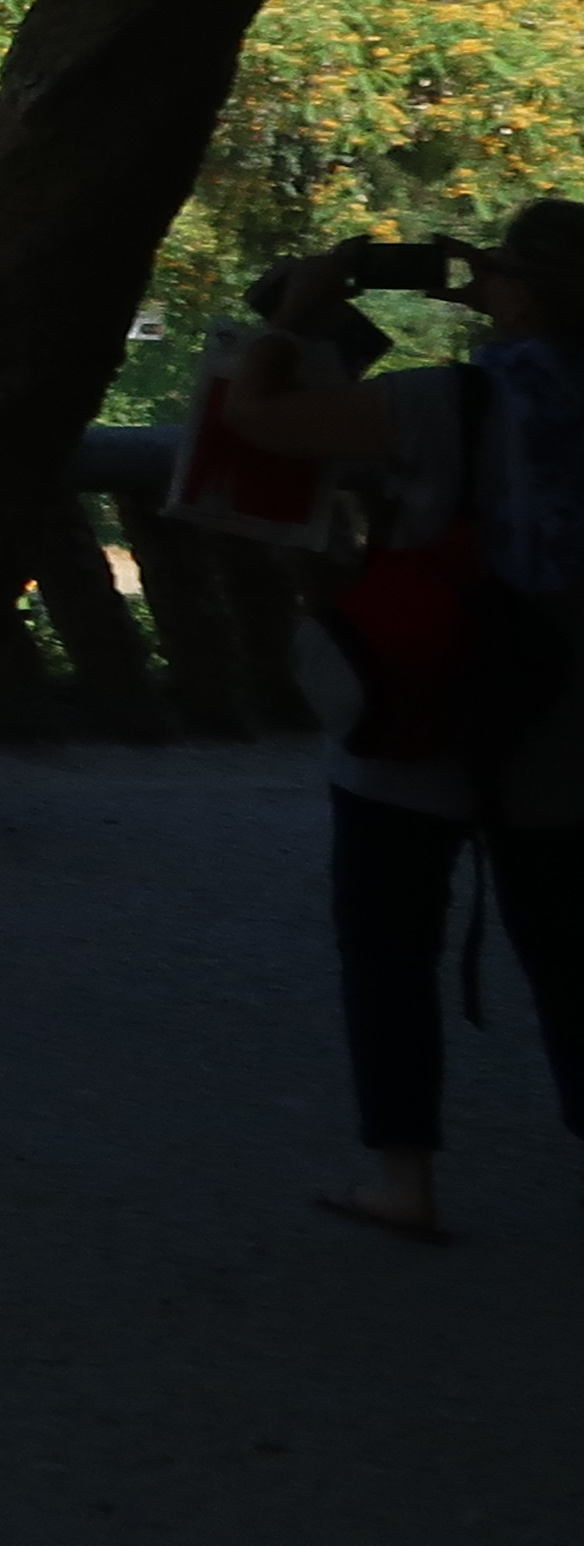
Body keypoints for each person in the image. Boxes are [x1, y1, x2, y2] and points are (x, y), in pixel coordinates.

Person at [194, 208, 584, 1242]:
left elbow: (261, 418)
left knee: (388, 946)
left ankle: (404, 1177)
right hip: (567, 724)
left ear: (525, 294)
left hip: (422, 697)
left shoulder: (442, 403)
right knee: (570, 951)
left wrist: (308, 309)